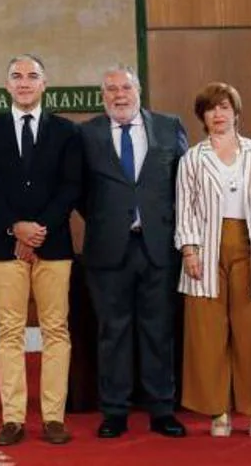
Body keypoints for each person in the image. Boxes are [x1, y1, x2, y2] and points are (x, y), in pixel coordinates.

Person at [0, 54, 81, 446]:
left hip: (54, 245)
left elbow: (71, 186)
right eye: (16, 76)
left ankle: (53, 417)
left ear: (44, 83)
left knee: (55, 330)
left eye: (32, 76)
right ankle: (13, 418)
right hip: (5, 245)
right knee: (10, 331)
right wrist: (15, 227)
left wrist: (37, 231)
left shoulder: (67, 131)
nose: (24, 82)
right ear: (7, 85)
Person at [78, 65, 188, 439]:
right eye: (110, 89)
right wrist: (109, 220)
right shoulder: (87, 134)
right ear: (102, 95)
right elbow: (78, 191)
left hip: (159, 247)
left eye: (125, 87)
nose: (118, 95)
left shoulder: (169, 127)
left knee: (159, 332)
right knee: (114, 332)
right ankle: (114, 412)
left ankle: (162, 410)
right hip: (108, 250)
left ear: (139, 90)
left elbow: (183, 185)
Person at [174, 83, 251, 437]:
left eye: (225, 107)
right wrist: (189, 250)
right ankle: (218, 411)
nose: (218, 114)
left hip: (250, 247)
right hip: (205, 249)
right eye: (211, 108)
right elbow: (184, 207)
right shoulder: (192, 158)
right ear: (202, 116)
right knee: (208, 333)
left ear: (236, 111)